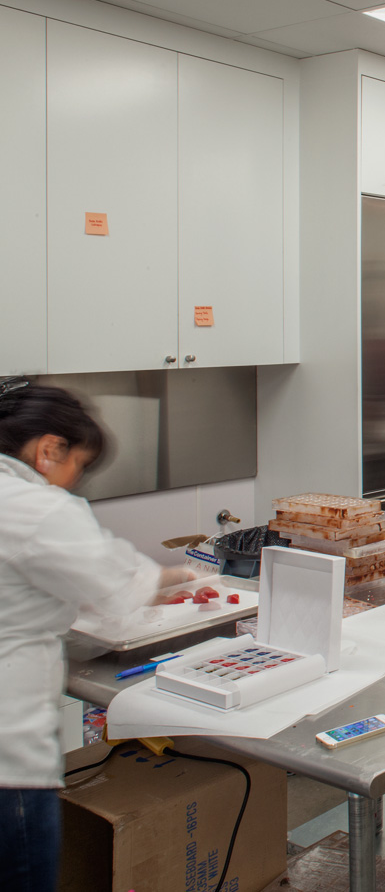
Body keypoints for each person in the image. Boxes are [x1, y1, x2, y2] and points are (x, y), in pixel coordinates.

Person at [0, 381, 193, 891]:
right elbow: (115, 589)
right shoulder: (37, 508)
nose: (73, 480)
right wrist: (182, 578)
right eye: (78, 464)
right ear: (49, 448)